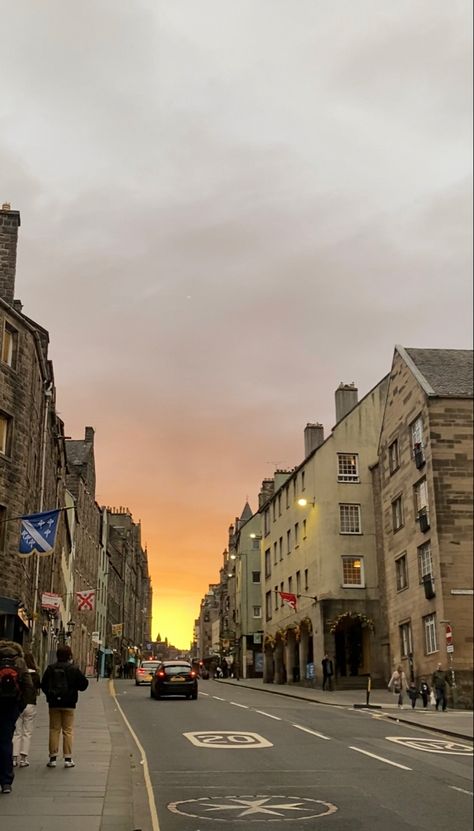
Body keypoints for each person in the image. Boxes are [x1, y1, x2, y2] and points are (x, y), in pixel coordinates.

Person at [41, 644, 88, 769]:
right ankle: (68, 759)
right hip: (69, 704)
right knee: (68, 730)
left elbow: (43, 685)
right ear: (69, 655)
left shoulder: (50, 668)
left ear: (57, 655)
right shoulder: (73, 668)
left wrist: (50, 695)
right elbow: (84, 685)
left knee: (54, 729)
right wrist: (73, 688)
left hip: (54, 704)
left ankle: (52, 758)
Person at [0, 640, 33, 794]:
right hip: (10, 706)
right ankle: (6, 782)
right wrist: (20, 706)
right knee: (6, 742)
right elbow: (28, 685)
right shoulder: (19, 661)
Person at [13, 652, 41, 768]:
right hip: (30, 704)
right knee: (27, 732)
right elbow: (38, 688)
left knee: (17, 732)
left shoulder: (17, 673)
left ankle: (14, 758)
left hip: (18, 704)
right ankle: (24, 758)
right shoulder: (35, 675)